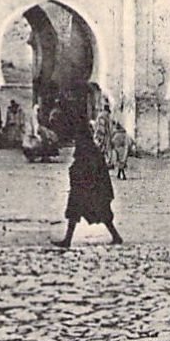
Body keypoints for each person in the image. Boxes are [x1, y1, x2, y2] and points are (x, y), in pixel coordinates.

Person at [53, 101, 123, 248]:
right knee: (90, 207)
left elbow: (85, 156)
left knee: (84, 206)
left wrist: (78, 170)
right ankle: (114, 236)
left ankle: (68, 240)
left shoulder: (81, 132)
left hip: (89, 175)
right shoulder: (81, 130)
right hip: (89, 174)